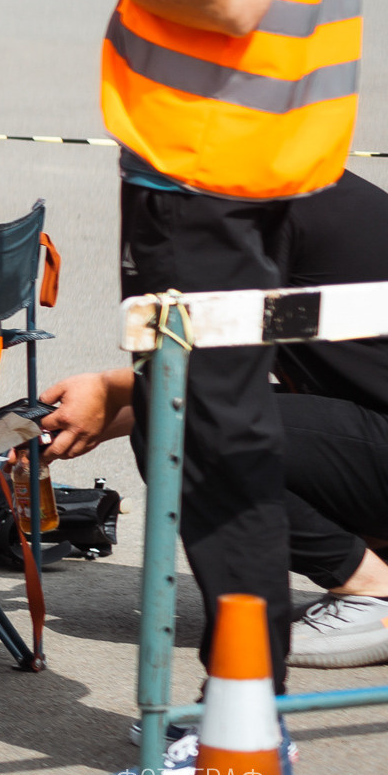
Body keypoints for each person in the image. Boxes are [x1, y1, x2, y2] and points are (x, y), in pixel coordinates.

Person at [0, 0, 365, 775]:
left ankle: (239, 737)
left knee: (214, 453)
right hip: (277, 159)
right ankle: (242, 717)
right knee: (227, 435)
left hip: (204, 165)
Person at [40, 177, 388, 674]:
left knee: (179, 433)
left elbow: (212, 371)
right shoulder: (311, 187)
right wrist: (108, 398)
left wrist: (119, 395)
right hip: (372, 422)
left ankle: (372, 592)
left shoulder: (246, 202)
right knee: (191, 418)